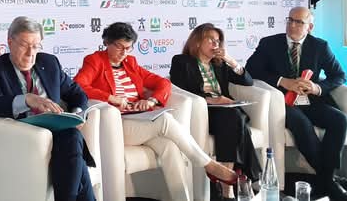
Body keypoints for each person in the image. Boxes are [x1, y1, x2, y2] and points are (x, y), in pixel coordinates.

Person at [74, 22, 236, 201]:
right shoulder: (95, 60)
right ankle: (208, 164)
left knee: (170, 147)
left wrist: (151, 100)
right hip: (116, 125)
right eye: (119, 47)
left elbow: (163, 83)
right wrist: (111, 98)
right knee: (164, 119)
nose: (124, 53)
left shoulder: (130, 63)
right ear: (107, 43)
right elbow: (79, 85)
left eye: (128, 48)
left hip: (140, 121)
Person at [246, 7, 347, 201]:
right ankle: (331, 184)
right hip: (282, 102)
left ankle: (326, 180)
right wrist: (282, 81)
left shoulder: (320, 46)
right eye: (290, 20)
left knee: (340, 120)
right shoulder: (269, 43)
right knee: (302, 124)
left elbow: (339, 75)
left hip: (310, 100)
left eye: (299, 22)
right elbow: (251, 70)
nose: (292, 25)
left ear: (310, 27)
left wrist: (317, 87)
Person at [0, 16, 95, 201]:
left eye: (35, 46)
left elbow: (77, 94)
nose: (30, 53)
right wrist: (26, 99)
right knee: (73, 140)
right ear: (10, 42)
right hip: (23, 137)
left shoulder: (49, 63)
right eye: (24, 45)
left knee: (71, 135)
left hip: (58, 132)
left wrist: (76, 115)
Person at [170, 23, 262, 199]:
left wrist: (230, 60)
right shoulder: (182, 62)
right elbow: (180, 91)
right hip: (202, 113)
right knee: (238, 122)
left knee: (234, 119)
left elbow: (247, 81)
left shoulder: (220, 64)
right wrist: (211, 100)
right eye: (211, 40)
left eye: (218, 41)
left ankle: (226, 183)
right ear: (197, 42)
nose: (215, 44)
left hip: (226, 113)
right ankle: (251, 177)